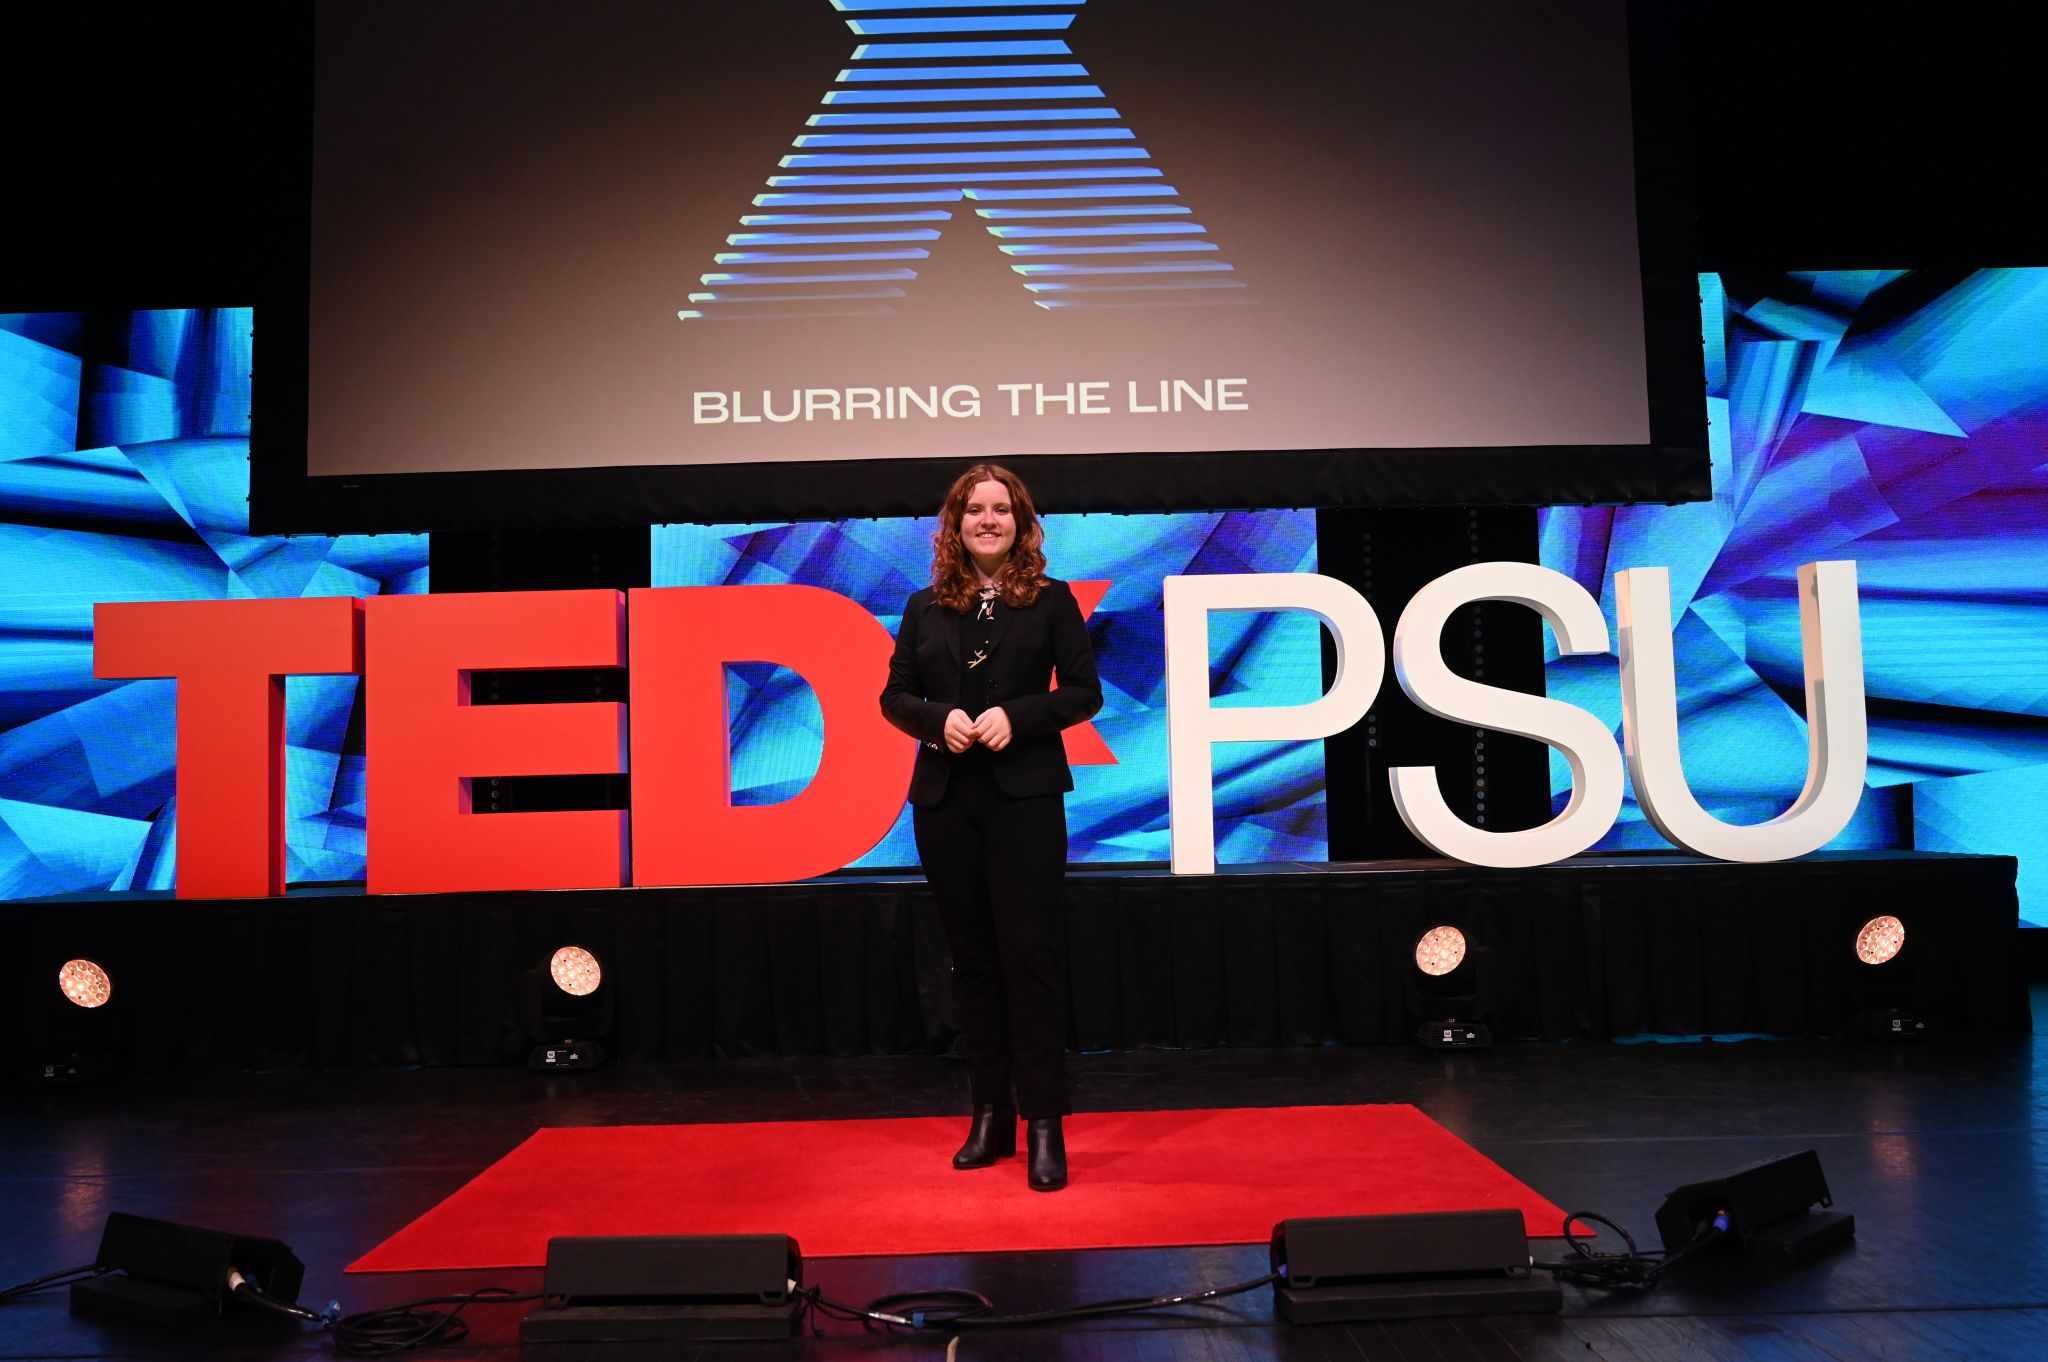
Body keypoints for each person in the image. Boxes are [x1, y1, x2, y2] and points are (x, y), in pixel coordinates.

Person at [880, 463, 1102, 1192]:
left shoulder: (1051, 601)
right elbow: (895, 696)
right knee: (972, 963)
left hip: (1026, 801)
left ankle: (1043, 1123)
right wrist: (935, 720)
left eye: (1000, 510)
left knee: (1029, 959)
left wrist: (1022, 716)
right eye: (974, 509)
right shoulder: (923, 608)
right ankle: (988, 1115)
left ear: (1021, 521)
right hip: (946, 802)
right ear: (955, 524)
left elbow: (1083, 692)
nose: (987, 520)